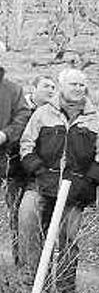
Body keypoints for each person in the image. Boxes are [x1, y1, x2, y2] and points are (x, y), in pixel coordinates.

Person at [19, 68, 99, 293]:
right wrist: (39, 171)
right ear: (62, 86)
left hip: (75, 190)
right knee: (29, 224)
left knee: (69, 239)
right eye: (73, 84)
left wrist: (86, 182)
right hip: (40, 184)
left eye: (82, 84)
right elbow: (26, 145)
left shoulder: (96, 119)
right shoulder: (43, 113)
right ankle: (31, 286)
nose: (78, 88)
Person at [6, 75, 48, 266]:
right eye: (46, 86)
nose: (51, 90)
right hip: (15, 172)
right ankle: (19, 263)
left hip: (35, 174)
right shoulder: (21, 110)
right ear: (34, 89)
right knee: (16, 218)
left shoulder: (50, 113)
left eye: (54, 87)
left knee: (34, 221)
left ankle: (35, 267)